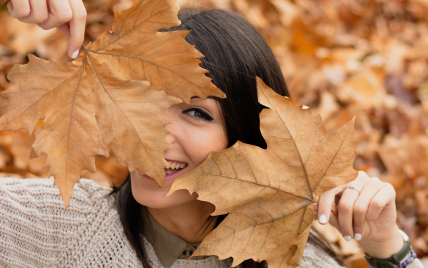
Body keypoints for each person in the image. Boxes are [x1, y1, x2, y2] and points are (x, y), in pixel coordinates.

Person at [1, 1, 423, 268]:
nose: (153, 130)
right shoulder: (53, 226)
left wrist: (388, 248)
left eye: (196, 112)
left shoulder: (297, 263)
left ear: (249, 136)